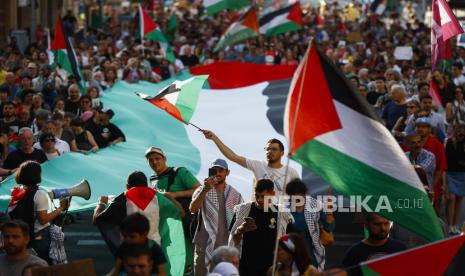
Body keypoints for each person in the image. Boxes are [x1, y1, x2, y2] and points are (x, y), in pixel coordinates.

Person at [145, 146, 200, 272]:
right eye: (150, 160)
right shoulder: (152, 180)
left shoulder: (179, 171)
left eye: (157, 158)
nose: (154, 162)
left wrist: (174, 195)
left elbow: (199, 189)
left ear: (165, 159)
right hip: (167, 228)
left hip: (185, 224)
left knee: (187, 263)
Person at [7, 161, 69, 263]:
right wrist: (60, 209)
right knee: (43, 266)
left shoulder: (17, 191)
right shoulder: (39, 194)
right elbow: (43, 219)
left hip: (23, 235)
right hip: (39, 237)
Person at [229, 179, 294, 276]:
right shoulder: (241, 210)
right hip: (246, 266)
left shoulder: (283, 214)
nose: (259, 200)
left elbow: (288, 242)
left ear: (272, 193)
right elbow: (233, 240)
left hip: (272, 267)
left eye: (263, 196)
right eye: (257, 196)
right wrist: (240, 230)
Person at [190, 159, 243, 276]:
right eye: (215, 170)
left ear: (227, 172)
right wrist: (205, 189)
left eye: (221, 170)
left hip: (226, 247)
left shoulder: (235, 195)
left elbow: (240, 219)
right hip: (204, 244)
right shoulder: (201, 190)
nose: (218, 173)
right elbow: (192, 209)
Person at [202, 130, 300, 194]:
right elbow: (233, 157)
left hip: (283, 216)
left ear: (282, 153)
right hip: (261, 214)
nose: (270, 151)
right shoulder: (258, 165)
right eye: (267, 149)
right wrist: (214, 138)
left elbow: (299, 195)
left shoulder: (291, 172)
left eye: (274, 149)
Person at [286, 179, 335, 271]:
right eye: (293, 194)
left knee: (311, 269)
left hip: (310, 244)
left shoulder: (315, 205)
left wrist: (329, 212)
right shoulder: (284, 208)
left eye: (298, 194)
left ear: (304, 194)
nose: (296, 197)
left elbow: (329, 227)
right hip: (290, 245)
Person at [342, 213, 407, 268]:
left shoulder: (400, 248)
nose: (383, 228)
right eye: (377, 224)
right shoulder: (354, 253)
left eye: (386, 224)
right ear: (366, 225)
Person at [445, 124, 465, 235]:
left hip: (462, 174)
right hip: (451, 174)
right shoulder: (449, 142)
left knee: (458, 200)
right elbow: (447, 158)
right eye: (459, 133)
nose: (460, 136)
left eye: (463, 134)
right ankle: (450, 225)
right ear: (455, 132)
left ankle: (455, 225)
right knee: (451, 198)